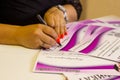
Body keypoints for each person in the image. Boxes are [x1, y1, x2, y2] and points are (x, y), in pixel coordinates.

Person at [0, 0, 82, 49]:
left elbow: (76, 6)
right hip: (12, 53)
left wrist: (62, 11)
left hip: (52, 50)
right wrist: (17, 34)